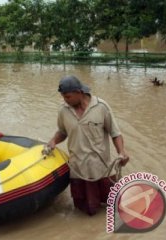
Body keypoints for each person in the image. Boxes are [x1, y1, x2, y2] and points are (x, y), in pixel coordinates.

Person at [43, 75, 129, 216]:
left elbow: (115, 133)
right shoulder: (63, 110)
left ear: (79, 92)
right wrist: (53, 141)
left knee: (114, 207)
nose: (65, 100)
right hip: (78, 168)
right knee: (85, 210)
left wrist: (122, 152)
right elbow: (63, 131)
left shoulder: (101, 107)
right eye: (63, 97)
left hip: (102, 168)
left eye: (68, 97)